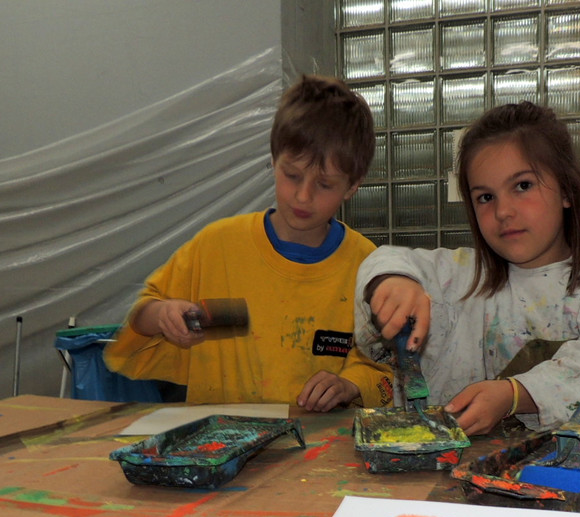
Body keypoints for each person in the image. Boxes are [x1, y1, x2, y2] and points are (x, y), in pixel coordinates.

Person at [355, 101, 580, 436]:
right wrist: (393, 282)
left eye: (523, 186)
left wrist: (516, 395)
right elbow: (388, 259)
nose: (503, 212)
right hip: (464, 465)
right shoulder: (462, 277)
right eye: (485, 197)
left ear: (567, 190)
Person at [104, 74, 393, 411]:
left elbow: (388, 373)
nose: (303, 196)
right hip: (218, 438)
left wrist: (350, 384)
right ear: (273, 160)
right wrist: (161, 315)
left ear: (352, 186)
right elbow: (136, 328)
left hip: (318, 443)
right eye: (292, 175)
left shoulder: (368, 267)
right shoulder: (216, 248)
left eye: (324, 184)